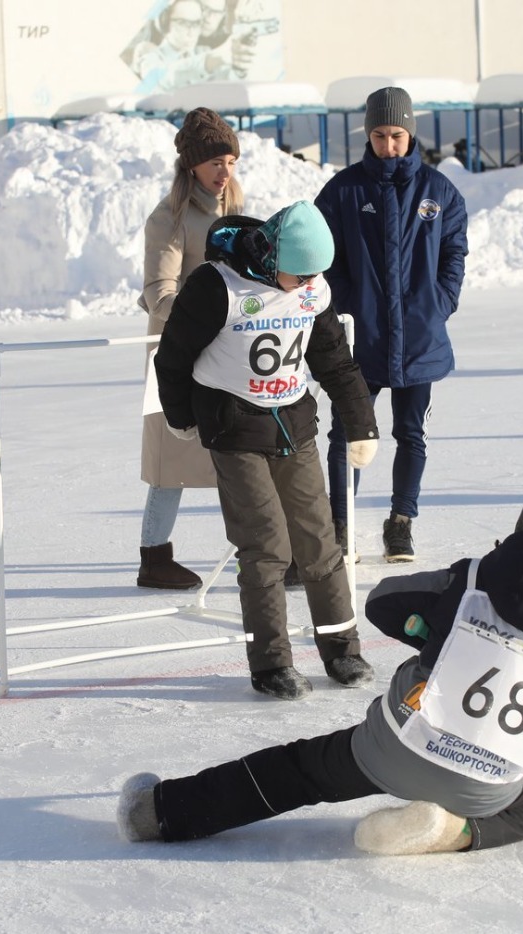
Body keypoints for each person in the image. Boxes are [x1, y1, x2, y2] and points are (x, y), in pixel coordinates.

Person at [115, 487, 523, 854]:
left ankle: (158, 813)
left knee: (297, 771)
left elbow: (384, 602)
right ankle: (458, 832)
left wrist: (433, 633)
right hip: (487, 783)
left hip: (399, 742)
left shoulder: (472, 578)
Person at [153, 201, 381, 701]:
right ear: (271, 256)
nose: (306, 284)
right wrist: (182, 417)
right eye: (298, 274)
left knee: (320, 541)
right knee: (267, 546)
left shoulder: (311, 288)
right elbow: (172, 356)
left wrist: (362, 423)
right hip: (234, 430)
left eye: (313, 275)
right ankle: (271, 662)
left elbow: (334, 362)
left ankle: (342, 649)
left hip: (293, 425)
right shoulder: (218, 286)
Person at [315, 86, 469, 564]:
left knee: (410, 433)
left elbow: (453, 252)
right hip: (361, 341)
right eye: (379, 135)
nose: (389, 145)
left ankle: (401, 522)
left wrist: (440, 302)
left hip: (419, 338)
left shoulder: (439, 192)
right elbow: (322, 256)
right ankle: (341, 526)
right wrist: (344, 305)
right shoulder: (344, 191)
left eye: (397, 135)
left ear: (411, 134)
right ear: (368, 134)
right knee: (348, 435)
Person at [134, 108, 244, 590]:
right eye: (217, 163)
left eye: (232, 162)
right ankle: (155, 559)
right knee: (171, 461)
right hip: (179, 352)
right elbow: (160, 292)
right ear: (193, 166)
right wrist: (205, 315)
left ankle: (256, 552)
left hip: (229, 349)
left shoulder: (234, 208)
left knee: (241, 450)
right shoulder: (170, 218)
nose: (226, 173)